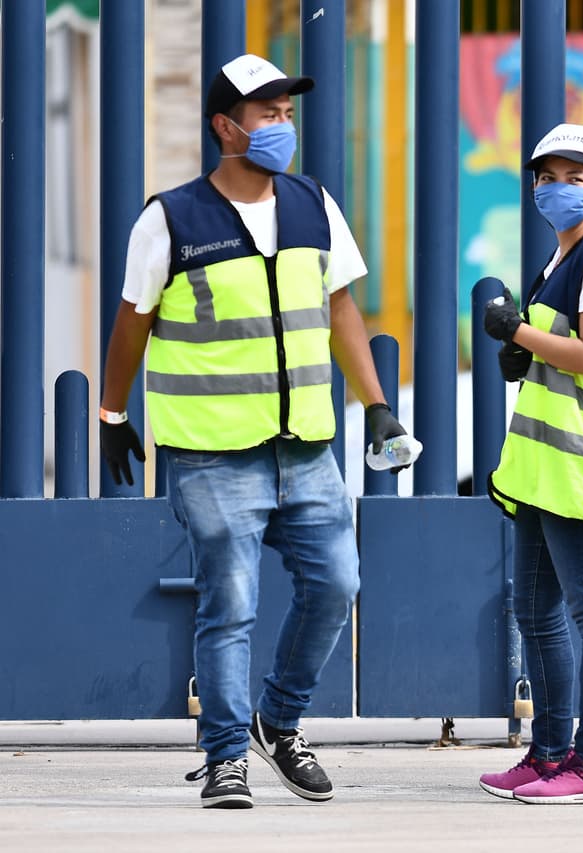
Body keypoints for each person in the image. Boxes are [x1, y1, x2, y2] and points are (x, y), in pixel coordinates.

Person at [98, 54, 409, 809]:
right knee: (229, 603)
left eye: (285, 111)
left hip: (305, 446)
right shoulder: (170, 217)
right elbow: (133, 319)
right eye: (265, 112)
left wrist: (375, 403)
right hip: (211, 450)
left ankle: (280, 720)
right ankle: (225, 754)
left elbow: (340, 309)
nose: (280, 124)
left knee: (338, 582)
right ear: (224, 126)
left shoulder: (313, 205)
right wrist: (112, 412)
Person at [477, 123, 583, 805]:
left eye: (575, 177)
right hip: (543, 471)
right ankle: (548, 752)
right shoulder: (560, 261)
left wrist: (516, 331)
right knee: (536, 610)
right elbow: (563, 349)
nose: (557, 188)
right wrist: (528, 350)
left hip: (581, 466)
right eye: (546, 177)